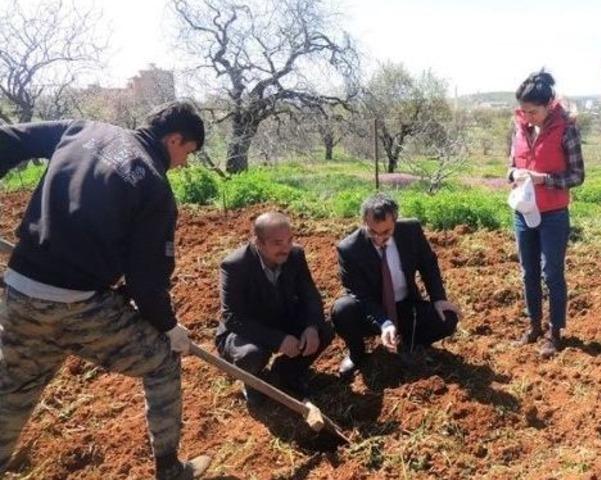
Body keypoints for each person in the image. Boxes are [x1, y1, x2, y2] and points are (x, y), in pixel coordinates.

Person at [0, 101, 211, 480]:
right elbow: (147, 282)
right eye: (187, 153)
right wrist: (168, 327)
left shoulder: (82, 129)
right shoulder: (153, 185)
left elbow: (8, 139)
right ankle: (170, 469)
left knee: (13, 389)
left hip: (20, 291)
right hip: (77, 304)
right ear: (174, 139)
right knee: (163, 362)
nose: (183, 163)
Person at [331, 193, 461, 380]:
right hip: (371, 311)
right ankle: (357, 354)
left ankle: (409, 342)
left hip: (405, 305)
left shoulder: (411, 231)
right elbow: (359, 295)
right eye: (372, 231)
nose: (378, 238)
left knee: (447, 318)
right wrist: (383, 322)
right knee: (342, 309)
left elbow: (428, 264)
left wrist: (438, 298)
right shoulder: (349, 249)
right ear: (364, 222)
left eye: (385, 232)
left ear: (395, 221)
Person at [216, 212, 334, 405]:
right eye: (277, 243)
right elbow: (232, 317)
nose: (285, 248)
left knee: (325, 329)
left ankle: (286, 371)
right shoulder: (235, 265)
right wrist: (278, 340)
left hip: (281, 318)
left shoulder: (295, 255)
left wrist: (311, 327)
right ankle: (252, 381)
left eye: (289, 241)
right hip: (247, 330)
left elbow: (310, 295)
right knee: (251, 355)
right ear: (258, 242)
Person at [508, 70, 585, 358]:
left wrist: (544, 179)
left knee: (551, 273)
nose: (528, 117)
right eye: (524, 111)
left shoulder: (566, 129)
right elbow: (510, 165)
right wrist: (513, 173)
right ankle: (534, 325)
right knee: (528, 272)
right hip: (524, 211)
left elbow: (577, 175)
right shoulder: (519, 128)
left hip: (553, 213)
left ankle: (555, 331)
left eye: (534, 111)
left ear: (549, 103)